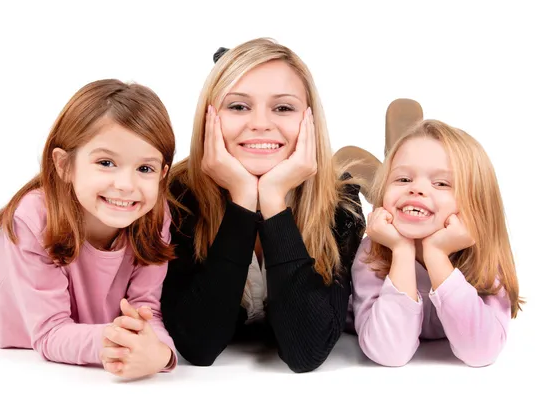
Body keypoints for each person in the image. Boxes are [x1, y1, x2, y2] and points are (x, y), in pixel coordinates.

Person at [156, 38, 365, 373]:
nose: (261, 123)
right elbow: (198, 344)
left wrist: (272, 201)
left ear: (309, 119)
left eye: (283, 108)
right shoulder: (176, 197)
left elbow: (307, 351)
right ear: (210, 117)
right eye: (238, 106)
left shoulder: (341, 202)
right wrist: (242, 198)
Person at [0, 79, 178, 380]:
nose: (126, 185)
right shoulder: (33, 217)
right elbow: (49, 332)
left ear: (162, 174)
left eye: (145, 169)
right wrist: (117, 345)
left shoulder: (155, 214)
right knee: (25, 235)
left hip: (84, 285)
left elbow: (146, 309)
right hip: (6, 278)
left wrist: (160, 354)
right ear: (64, 165)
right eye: (106, 162)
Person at [351, 119, 524, 367]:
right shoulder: (374, 250)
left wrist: (436, 256)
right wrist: (401, 251)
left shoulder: (485, 256)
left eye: (441, 183)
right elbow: (389, 352)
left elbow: (481, 352)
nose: (417, 189)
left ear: (477, 202)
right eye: (402, 179)